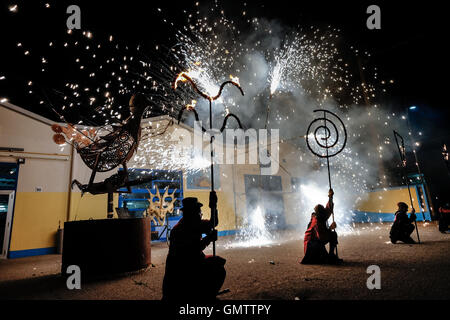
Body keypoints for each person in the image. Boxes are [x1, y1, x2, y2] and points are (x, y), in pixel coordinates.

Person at [162, 191, 226, 301]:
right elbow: (190, 252)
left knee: (218, 261)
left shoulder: (195, 223)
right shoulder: (179, 230)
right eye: (198, 212)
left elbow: (213, 223)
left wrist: (213, 206)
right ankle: (201, 295)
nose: (200, 214)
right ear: (190, 213)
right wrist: (208, 239)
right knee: (217, 268)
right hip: (181, 272)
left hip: (192, 264)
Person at [300, 189, 342, 265]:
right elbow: (322, 237)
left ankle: (331, 254)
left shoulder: (321, 215)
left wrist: (330, 197)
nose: (326, 215)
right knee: (323, 258)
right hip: (311, 244)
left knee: (333, 235)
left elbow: (328, 208)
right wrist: (330, 228)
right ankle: (328, 257)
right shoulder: (317, 222)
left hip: (317, 240)